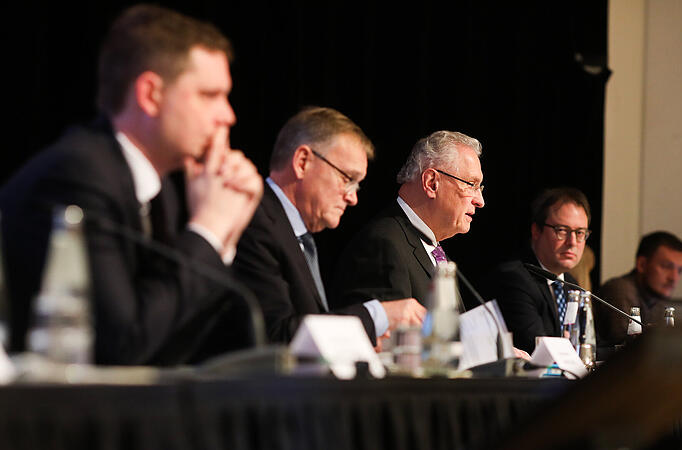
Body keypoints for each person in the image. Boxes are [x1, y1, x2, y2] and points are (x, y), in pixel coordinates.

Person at [0, 5, 263, 365]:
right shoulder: (78, 174)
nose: (228, 115)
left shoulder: (160, 191)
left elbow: (169, 344)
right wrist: (210, 230)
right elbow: (121, 347)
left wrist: (226, 237)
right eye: (209, 95)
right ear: (151, 94)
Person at [232, 107, 426, 345]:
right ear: (303, 162)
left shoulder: (295, 233)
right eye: (347, 179)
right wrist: (378, 315)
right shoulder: (253, 221)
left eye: (357, 185)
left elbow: (306, 328)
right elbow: (275, 337)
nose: (352, 198)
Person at [331, 131, 485, 312]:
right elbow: (391, 336)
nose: (480, 201)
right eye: (471, 185)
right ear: (431, 183)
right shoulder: (383, 245)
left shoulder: (432, 248)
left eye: (479, 187)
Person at [485, 188, 591, 354]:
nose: (572, 242)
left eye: (579, 233)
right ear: (536, 231)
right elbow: (537, 348)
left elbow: (589, 344)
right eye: (562, 230)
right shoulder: (514, 278)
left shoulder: (571, 285)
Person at [595, 231, 682, 347]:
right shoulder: (621, 290)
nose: (674, 278)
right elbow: (628, 348)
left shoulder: (659, 298)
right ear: (642, 265)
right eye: (666, 267)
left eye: (680, 270)